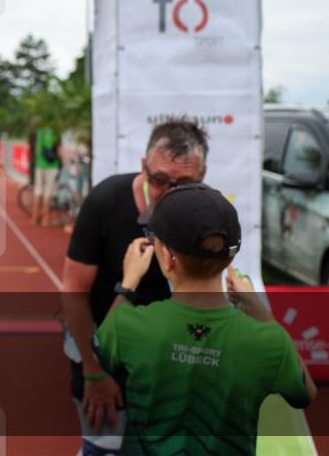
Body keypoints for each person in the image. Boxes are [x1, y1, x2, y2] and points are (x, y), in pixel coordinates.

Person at [92, 183, 315, 454]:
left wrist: (128, 283)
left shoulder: (129, 325)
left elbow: (101, 348)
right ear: (229, 256)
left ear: (167, 257)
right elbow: (305, 393)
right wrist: (258, 308)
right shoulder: (269, 341)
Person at [61, 119, 208, 453]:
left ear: (203, 175)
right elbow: (73, 289)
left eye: (184, 183)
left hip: (164, 357)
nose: (170, 193)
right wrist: (94, 372)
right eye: (160, 180)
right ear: (143, 166)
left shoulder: (205, 213)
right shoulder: (105, 200)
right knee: (104, 446)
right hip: (102, 346)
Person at [32, 125, 60, 226]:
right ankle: (45, 218)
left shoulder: (40, 131)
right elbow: (59, 150)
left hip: (40, 164)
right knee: (48, 192)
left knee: (38, 190)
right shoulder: (54, 131)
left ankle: (34, 217)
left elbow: (36, 149)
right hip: (52, 165)